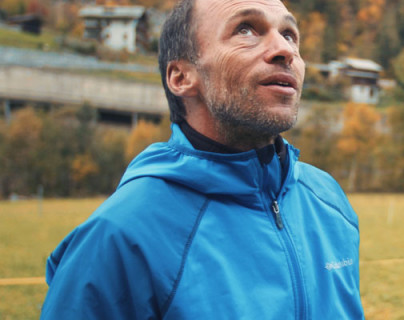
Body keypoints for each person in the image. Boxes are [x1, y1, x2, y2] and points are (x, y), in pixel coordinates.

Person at [40, 0, 365, 318]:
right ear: (181, 77)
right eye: (246, 29)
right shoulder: (121, 237)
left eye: (290, 34)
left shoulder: (330, 202)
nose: (285, 50)